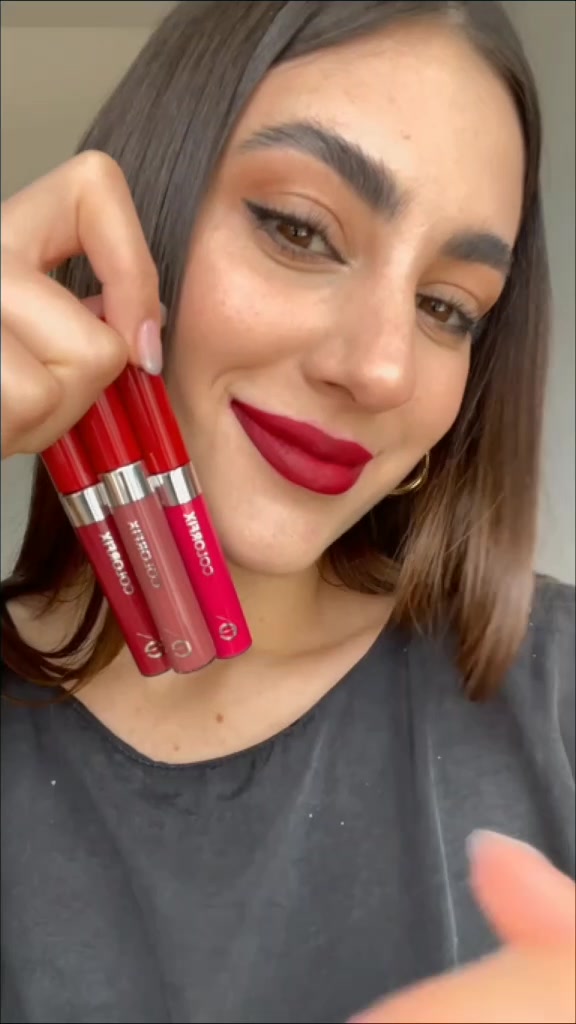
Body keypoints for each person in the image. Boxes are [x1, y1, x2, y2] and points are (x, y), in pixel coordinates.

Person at [1, 1, 574, 1021]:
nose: (383, 368)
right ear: (139, 223)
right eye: (299, 229)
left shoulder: (558, 692)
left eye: (448, 307)